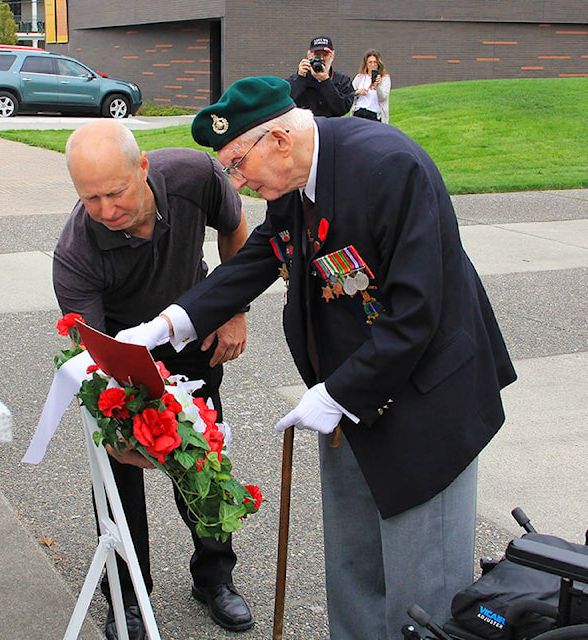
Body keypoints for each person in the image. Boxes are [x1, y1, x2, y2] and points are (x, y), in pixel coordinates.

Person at [116, 76, 517, 640]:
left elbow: (417, 312)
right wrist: (167, 325)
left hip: (428, 405)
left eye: (235, 164)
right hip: (347, 396)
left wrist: (335, 394)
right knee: (352, 566)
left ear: (278, 140)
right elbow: (259, 256)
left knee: (421, 587)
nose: (237, 182)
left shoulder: (389, 166)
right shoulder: (291, 182)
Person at [53, 120, 254, 640]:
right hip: (121, 360)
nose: (105, 210)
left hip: (192, 338)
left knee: (203, 457)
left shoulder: (194, 176)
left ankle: (214, 578)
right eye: (89, 197)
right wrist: (122, 425)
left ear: (142, 167)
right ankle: (128, 600)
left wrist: (232, 309)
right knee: (118, 475)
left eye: (115, 192)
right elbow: (93, 357)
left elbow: (236, 229)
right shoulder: (75, 253)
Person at [286, 35, 354, 118]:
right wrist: (300, 78)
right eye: (317, 55)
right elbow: (285, 102)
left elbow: (342, 109)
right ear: (309, 56)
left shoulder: (343, 80)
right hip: (305, 126)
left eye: (325, 55)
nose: (321, 59)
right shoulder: (297, 78)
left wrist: (326, 82)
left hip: (331, 127)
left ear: (332, 56)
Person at [351, 49, 391, 122]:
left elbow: (383, 98)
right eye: (370, 62)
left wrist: (378, 86)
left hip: (374, 114)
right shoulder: (360, 77)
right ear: (366, 64)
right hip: (359, 111)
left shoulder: (384, 78)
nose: (372, 64)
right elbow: (350, 93)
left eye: (375, 62)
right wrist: (358, 91)